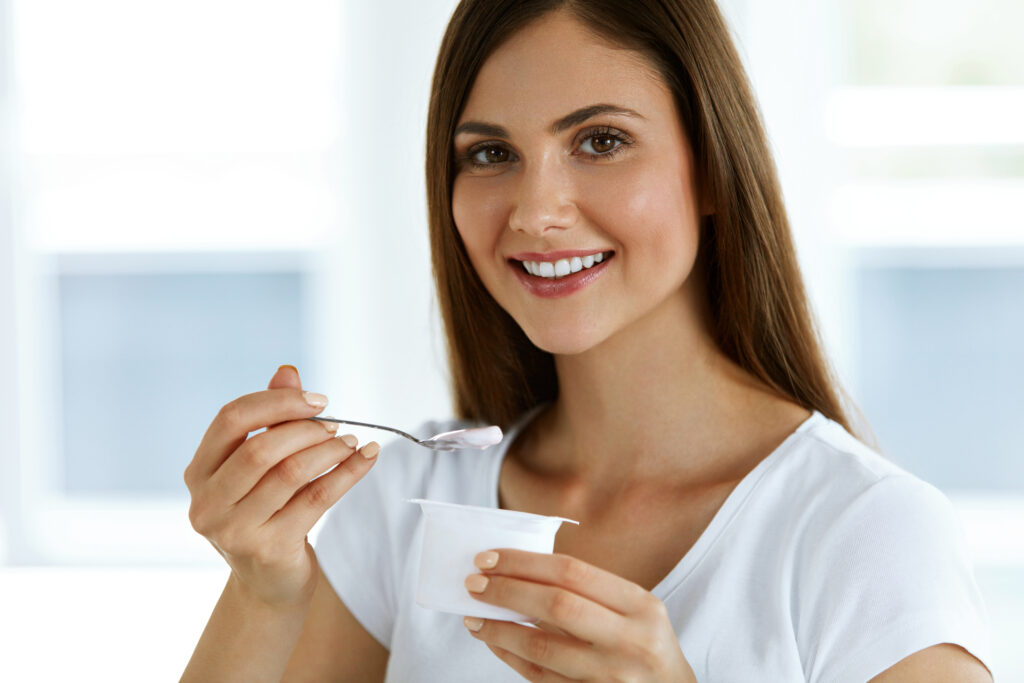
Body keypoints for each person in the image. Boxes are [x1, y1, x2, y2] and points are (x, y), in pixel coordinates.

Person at [181, 1, 994, 681]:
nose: (536, 211)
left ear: (711, 164)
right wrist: (266, 592)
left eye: (600, 141)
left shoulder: (864, 533)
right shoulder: (407, 503)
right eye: (492, 153)